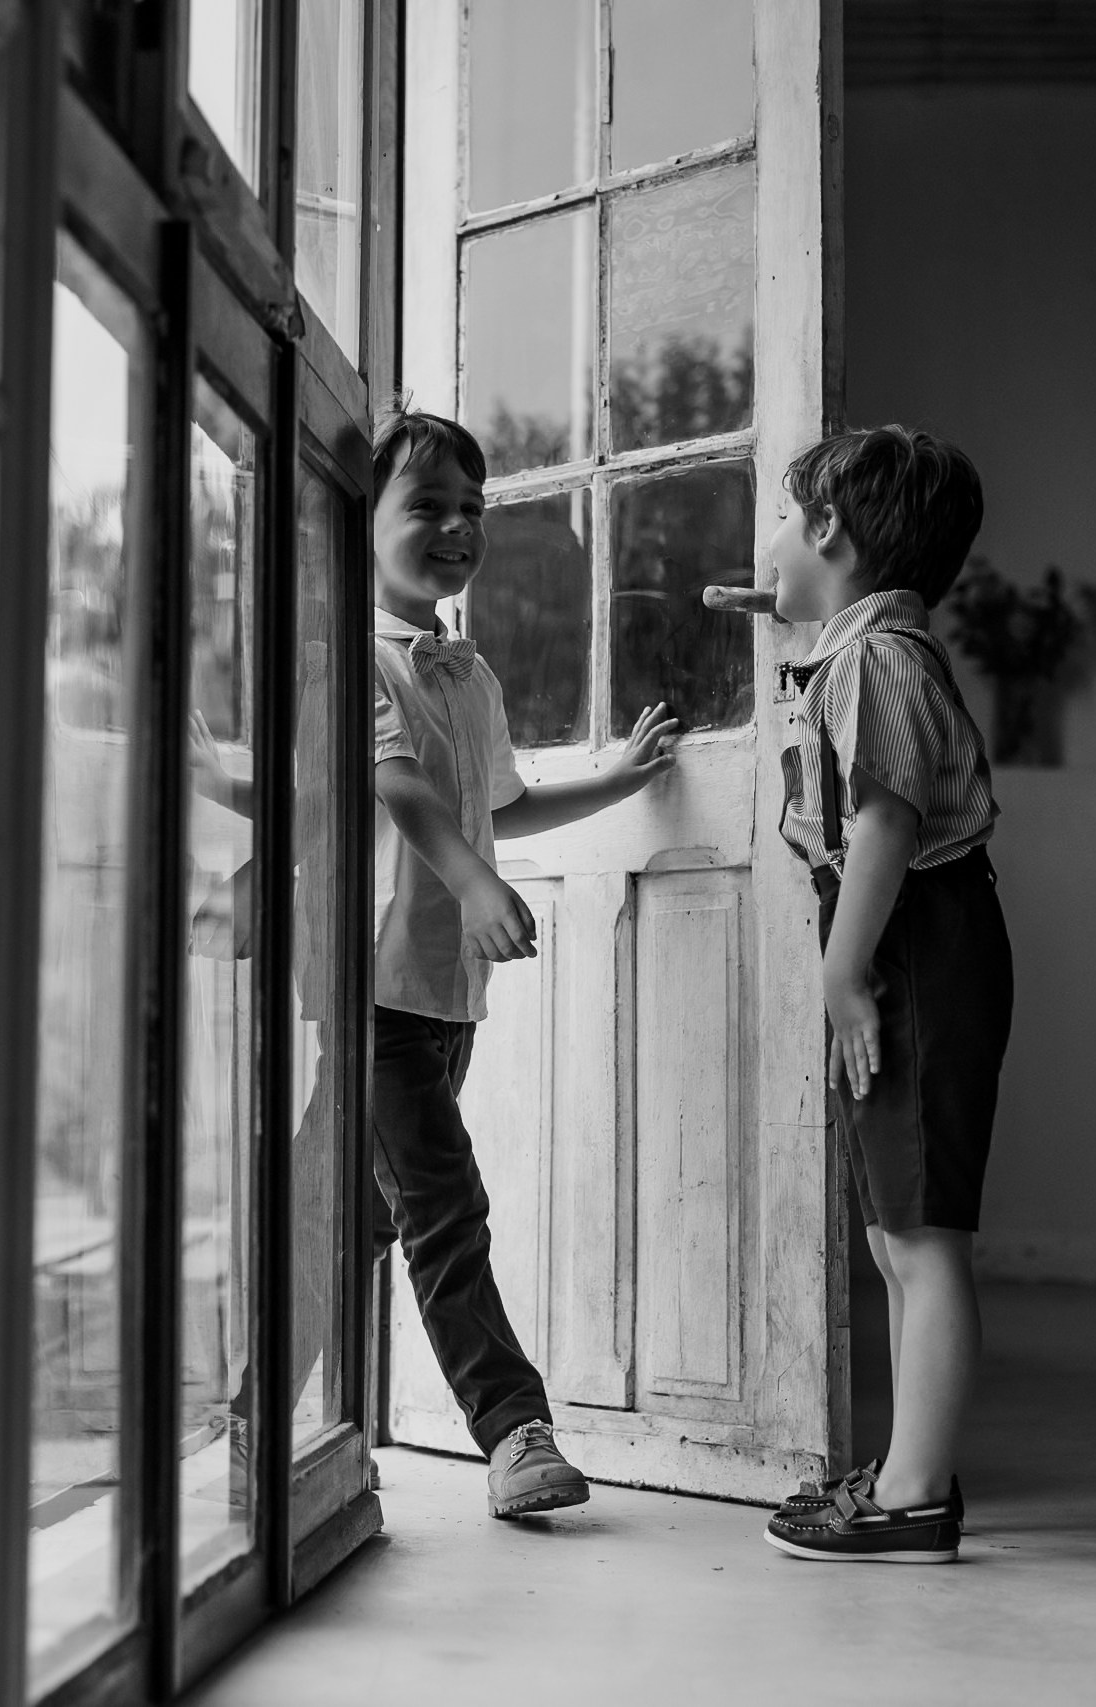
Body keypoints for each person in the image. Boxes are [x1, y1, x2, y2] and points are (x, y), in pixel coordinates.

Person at [370, 404, 676, 1515]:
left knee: (368, 1217)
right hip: (369, 991)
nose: (458, 526)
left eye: (473, 507)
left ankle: (254, 1410)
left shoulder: (470, 674)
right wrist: (472, 885)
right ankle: (513, 1430)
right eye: (427, 505)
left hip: (445, 998)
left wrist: (621, 780)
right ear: (361, 521)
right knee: (446, 1209)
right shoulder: (352, 654)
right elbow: (397, 787)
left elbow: (502, 805)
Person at [761, 425, 1013, 1564]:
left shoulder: (874, 657)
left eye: (786, 517)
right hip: (904, 937)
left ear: (827, 529)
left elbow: (885, 824)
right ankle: (914, 1470)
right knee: (894, 1232)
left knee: (923, 1238)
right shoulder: (861, 647)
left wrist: (843, 969)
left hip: (910, 939)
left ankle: (914, 1495)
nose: (773, 542)